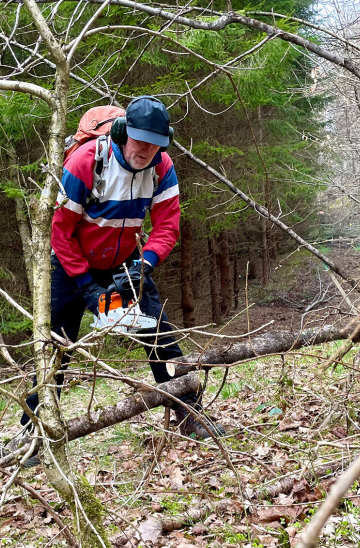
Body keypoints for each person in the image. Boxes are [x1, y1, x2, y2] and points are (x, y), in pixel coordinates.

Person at [19, 96, 226, 459]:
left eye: (155, 144)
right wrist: (87, 287)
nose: (146, 150)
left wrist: (142, 266)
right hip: (72, 262)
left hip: (126, 260)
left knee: (158, 333)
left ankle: (188, 412)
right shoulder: (87, 162)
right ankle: (34, 432)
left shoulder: (162, 168)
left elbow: (167, 227)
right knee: (55, 345)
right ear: (121, 132)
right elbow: (60, 231)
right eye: (140, 140)